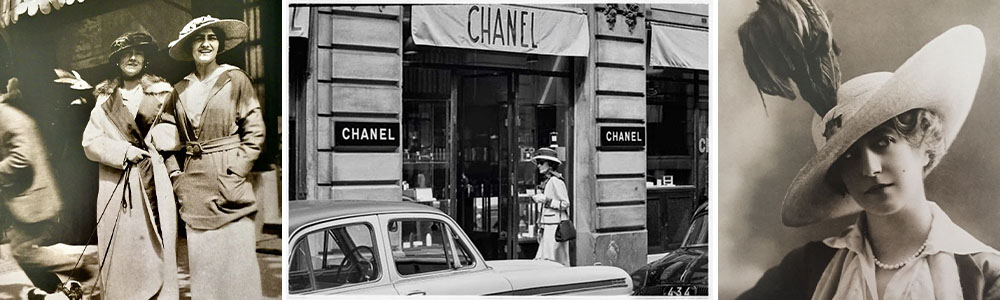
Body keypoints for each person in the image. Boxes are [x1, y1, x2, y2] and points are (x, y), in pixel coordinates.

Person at [738, 25, 1000, 299]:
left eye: (882, 143)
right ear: (840, 178)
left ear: (924, 143)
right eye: (848, 156)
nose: (869, 168)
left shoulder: (984, 274)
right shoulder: (806, 269)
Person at [162, 15, 265, 299]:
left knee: (239, 273)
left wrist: (234, 173)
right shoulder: (178, 90)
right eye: (199, 38)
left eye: (212, 38)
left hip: (231, 189)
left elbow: (255, 132)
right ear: (189, 47)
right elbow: (164, 140)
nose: (206, 44)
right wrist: (175, 177)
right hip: (194, 190)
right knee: (204, 274)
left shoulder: (236, 79)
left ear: (219, 44)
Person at [81, 31, 179, 299]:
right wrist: (124, 150)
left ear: (145, 58)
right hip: (117, 186)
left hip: (153, 182)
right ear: (117, 61)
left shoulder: (162, 94)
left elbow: (174, 133)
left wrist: (154, 142)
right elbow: (90, 142)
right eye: (126, 53)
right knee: (122, 254)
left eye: (138, 52)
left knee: (158, 246)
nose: (132, 57)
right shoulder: (104, 102)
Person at [0, 78, 92, 296]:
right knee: (22, 251)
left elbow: (21, 158)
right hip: (26, 196)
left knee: (22, 252)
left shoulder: (6, 117)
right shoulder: (7, 114)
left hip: (31, 198)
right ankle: (57, 290)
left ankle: (75, 265)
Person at [531, 147, 570, 266]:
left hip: (554, 227)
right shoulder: (548, 181)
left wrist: (545, 200)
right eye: (538, 163)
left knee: (552, 259)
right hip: (548, 226)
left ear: (550, 164)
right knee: (546, 258)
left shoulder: (555, 181)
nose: (539, 166)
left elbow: (565, 203)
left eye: (541, 163)